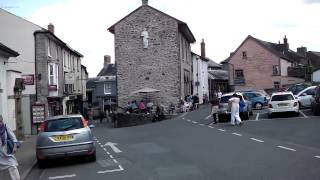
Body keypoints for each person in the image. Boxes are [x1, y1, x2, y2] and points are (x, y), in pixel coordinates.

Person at [0, 115, 20, 180]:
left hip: (6, 152)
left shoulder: (6, 127)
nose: (0, 123)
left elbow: (13, 138)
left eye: (0, 121)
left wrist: (15, 146)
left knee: (12, 165)